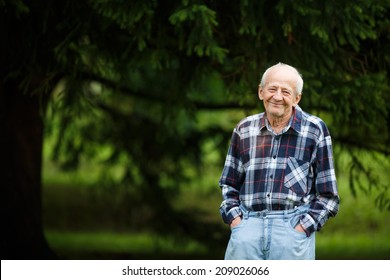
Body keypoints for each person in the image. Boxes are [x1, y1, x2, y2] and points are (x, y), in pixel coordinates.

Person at [219, 62, 340, 260]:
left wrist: (302, 228)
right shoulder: (244, 129)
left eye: (285, 91)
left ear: (296, 98)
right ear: (260, 92)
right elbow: (228, 183)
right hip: (247, 230)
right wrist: (236, 222)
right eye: (272, 89)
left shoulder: (315, 130)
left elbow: (328, 196)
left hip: (291, 232)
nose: (277, 97)